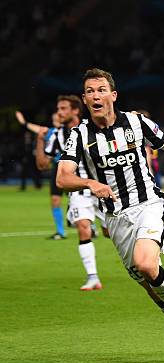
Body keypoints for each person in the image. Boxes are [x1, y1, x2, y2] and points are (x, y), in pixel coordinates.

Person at [57, 68, 164, 363]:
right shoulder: (79, 135)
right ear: (84, 98)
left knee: (147, 264)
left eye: (101, 89)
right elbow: (62, 177)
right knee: (149, 284)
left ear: (113, 95)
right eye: (90, 91)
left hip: (149, 204)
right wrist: (90, 183)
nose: (96, 95)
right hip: (115, 219)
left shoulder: (136, 122)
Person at [35, 96, 106, 289]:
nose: (59, 112)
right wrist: (40, 139)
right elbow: (42, 164)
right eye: (58, 108)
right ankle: (93, 277)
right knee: (83, 227)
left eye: (64, 108)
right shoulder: (57, 135)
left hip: (102, 187)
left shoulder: (92, 126)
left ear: (75, 110)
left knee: (110, 232)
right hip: (78, 191)